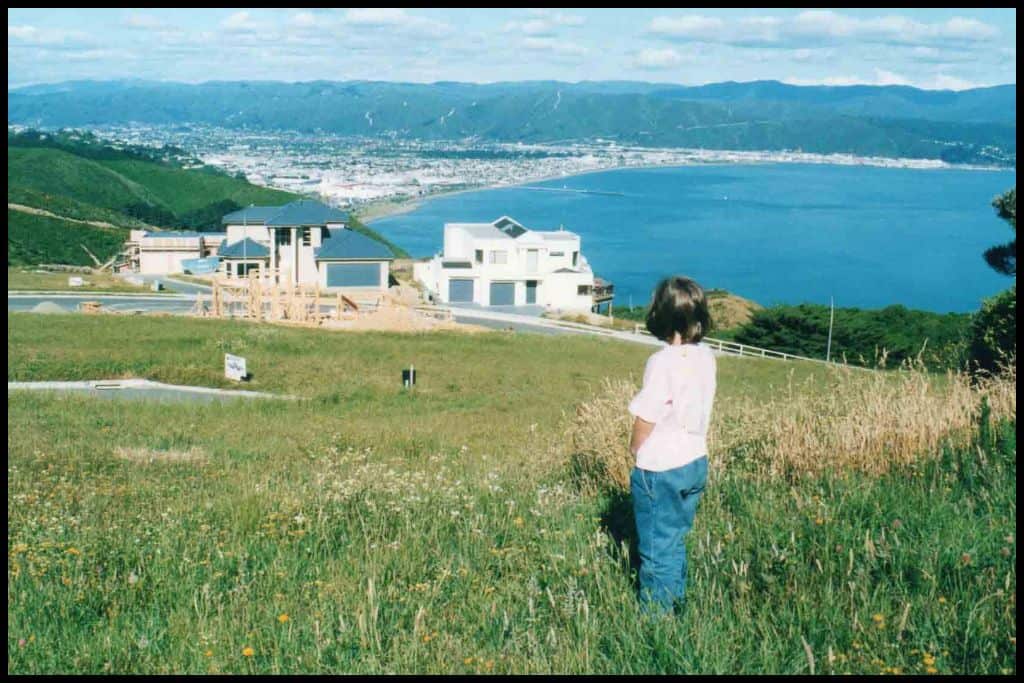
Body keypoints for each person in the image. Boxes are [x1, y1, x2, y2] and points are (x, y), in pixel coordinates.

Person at [628, 276, 716, 615]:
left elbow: (647, 414)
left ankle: (656, 623)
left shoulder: (661, 361)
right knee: (674, 539)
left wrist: (635, 448)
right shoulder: (706, 356)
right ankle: (677, 601)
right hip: (695, 460)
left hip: (661, 467)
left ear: (658, 316)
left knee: (656, 549)